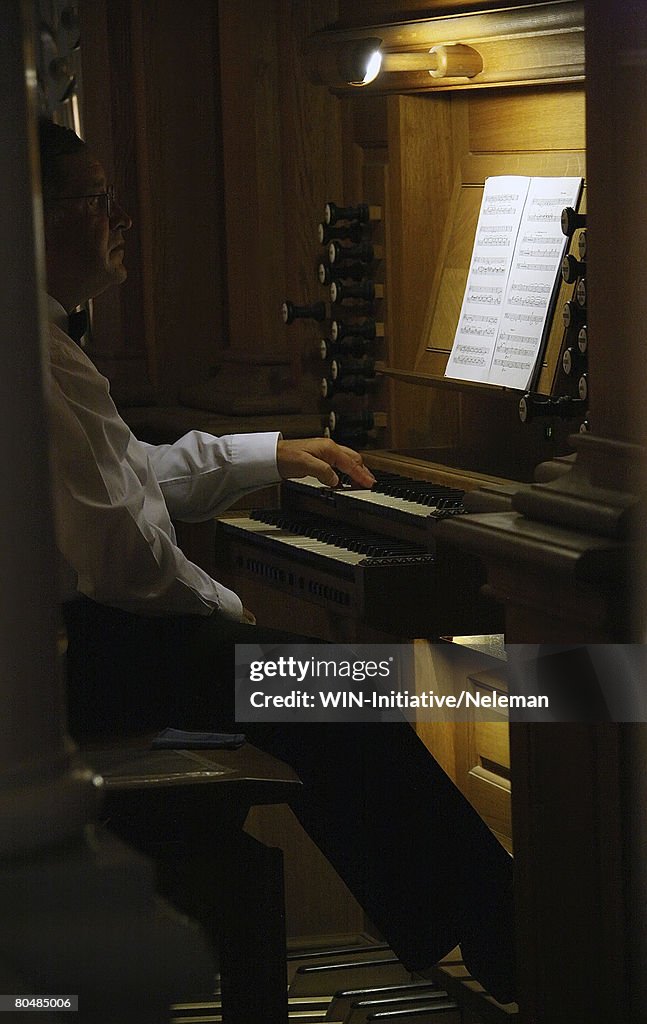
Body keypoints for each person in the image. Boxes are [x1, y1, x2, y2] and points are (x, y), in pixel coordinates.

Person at [39, 117, 516, 1003]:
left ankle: (481, 927)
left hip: (66, 656)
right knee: (329, 685)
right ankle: (515, 939)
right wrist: (230, 609)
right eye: (97, 199)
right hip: (71, 672)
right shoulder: (26, 351)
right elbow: (122, 558)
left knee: (319, 679)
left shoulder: (37, 336)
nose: (120, 218)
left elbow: (119, 476)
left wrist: (266, 455)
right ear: (24, 217)